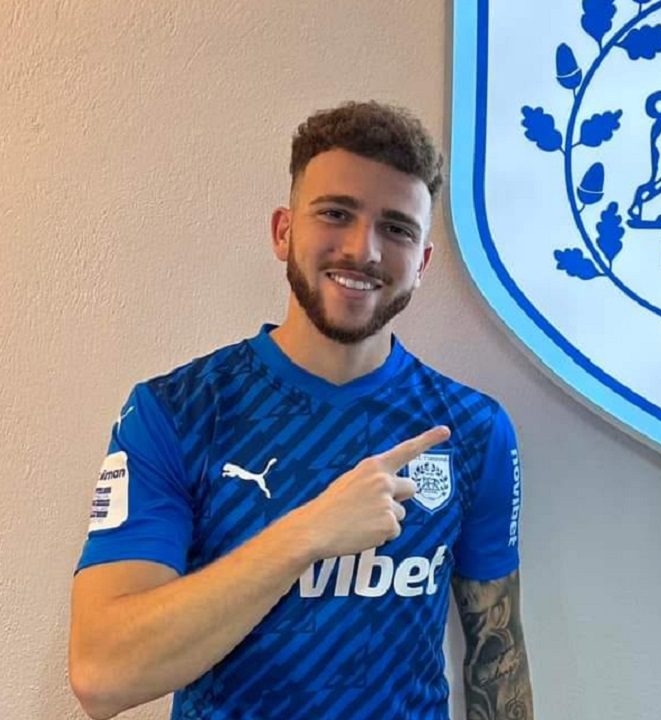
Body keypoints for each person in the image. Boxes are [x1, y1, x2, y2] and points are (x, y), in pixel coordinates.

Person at [68, 101, 533, 720]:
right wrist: (310, 534)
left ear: (421, 263)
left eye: (397, 228)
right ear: (283, 232)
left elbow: (497, 661)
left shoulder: (472, 430)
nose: (364, 249)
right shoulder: (176, 411)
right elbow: (103, 675)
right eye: (336, 213)